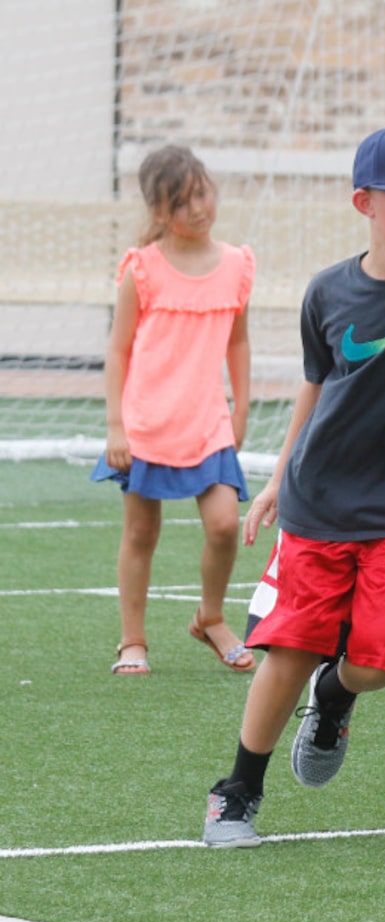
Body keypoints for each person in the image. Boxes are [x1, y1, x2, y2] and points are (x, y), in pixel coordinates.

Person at [202, 125, 385, 847]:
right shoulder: (328, 290)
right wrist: (276, 479)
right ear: (364, 201)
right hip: (319, 502)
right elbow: (317, 388)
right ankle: (237, 790)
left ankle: (331, 701)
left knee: (376, 660)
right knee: (289, 649)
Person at [91, 144, 256, 676]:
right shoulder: (141, 270)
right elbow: (117, 351)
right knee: (141, 534)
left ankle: (209, 617)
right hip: (148, 425)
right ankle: (132, 641)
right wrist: (117, 425)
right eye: (184, 202)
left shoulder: (236, 264)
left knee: (226, 525)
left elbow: (238, 343)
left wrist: (242, 404)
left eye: (203, 193)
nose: (200, 208)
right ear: (159, 212)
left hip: (207, 422)